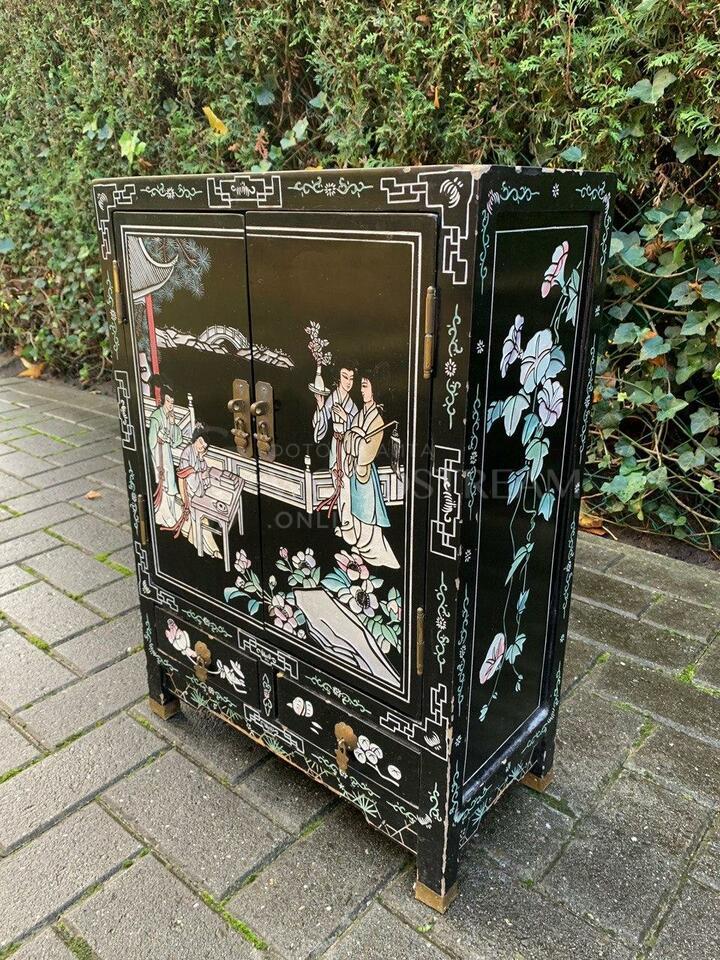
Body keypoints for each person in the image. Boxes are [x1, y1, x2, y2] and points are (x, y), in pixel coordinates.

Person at [342, 373, 399, 569]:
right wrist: (355, 437)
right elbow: (348, 439)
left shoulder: (377, 420)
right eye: (361, 386)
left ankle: (371, 550)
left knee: (367, 512)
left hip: (365, 472)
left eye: (365, 386)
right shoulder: (360, 415)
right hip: (355, 471)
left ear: (375, 390)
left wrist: (355, 437)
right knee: (357, 510)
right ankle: (360, 544)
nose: (361, 390)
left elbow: (367, 452)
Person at [313, 366, 358, 538]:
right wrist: (320, 405)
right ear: (338, 378)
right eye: (345, 377)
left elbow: (359, 426)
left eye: (351, 378)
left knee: (346, 483)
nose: (348, 382)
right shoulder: (333, 397)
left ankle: (349, 524)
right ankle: (344, 521)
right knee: (337, 480)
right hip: (336, 443)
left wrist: (346, 418)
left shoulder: (351, 403)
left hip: (348, 445)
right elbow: (322, 420)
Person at [169, 424, 222, 558]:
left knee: (201, 517)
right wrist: (201, 476)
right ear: (195, 439)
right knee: (201, 518)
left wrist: (202, 464)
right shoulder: (187, 453)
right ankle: (212, 549)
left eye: (204, 446)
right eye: (200, 442)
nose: (201, 446)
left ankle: (194, 541)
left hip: (196, 490)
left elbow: (202, 470)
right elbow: (186, 476)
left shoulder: (199, 455)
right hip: (188, 491)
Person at [147, 378, 183, 528]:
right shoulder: (156, 416)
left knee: (171, 481)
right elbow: (151, 440)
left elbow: (176, 441)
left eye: (172, 402)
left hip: (167, 452)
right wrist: (159, 438)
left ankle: (172, 512)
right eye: (168, 401)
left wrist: (173, 425)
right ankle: (164, 514)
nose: (170, 405)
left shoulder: (170, 416)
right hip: (159, 454)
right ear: (163, 400)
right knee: (165, 482)